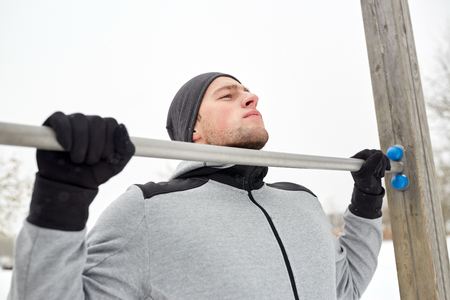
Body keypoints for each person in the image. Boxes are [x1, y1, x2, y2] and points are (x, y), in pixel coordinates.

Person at [8, 72, 390, 300]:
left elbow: (345, 287)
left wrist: (367, 203)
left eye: (247, 91)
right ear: (193, 131)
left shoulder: (301, 202)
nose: (251, 96)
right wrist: (62, 200)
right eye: (228, 94)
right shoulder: (148, 210)